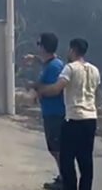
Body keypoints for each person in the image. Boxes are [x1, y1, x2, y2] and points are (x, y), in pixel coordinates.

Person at [37, 38, 100, 190]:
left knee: (67, 160)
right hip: (91, 118)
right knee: (86, 161)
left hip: (73, 118)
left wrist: (41, 91)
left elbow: (57, 89)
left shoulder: (70, 68)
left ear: (72, 50)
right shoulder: (94, 70)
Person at [24, 33, 66, 190]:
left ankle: (65, 178)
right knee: (54, 147)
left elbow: (52, 89)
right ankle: (64, 176)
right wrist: (34, 59)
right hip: (50, 111)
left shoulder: (54, 67)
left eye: (39, 44)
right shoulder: (50, 64)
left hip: (55, 112)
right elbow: (43, 63)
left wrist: (33, 86)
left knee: (56, 148)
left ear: (43, 47)